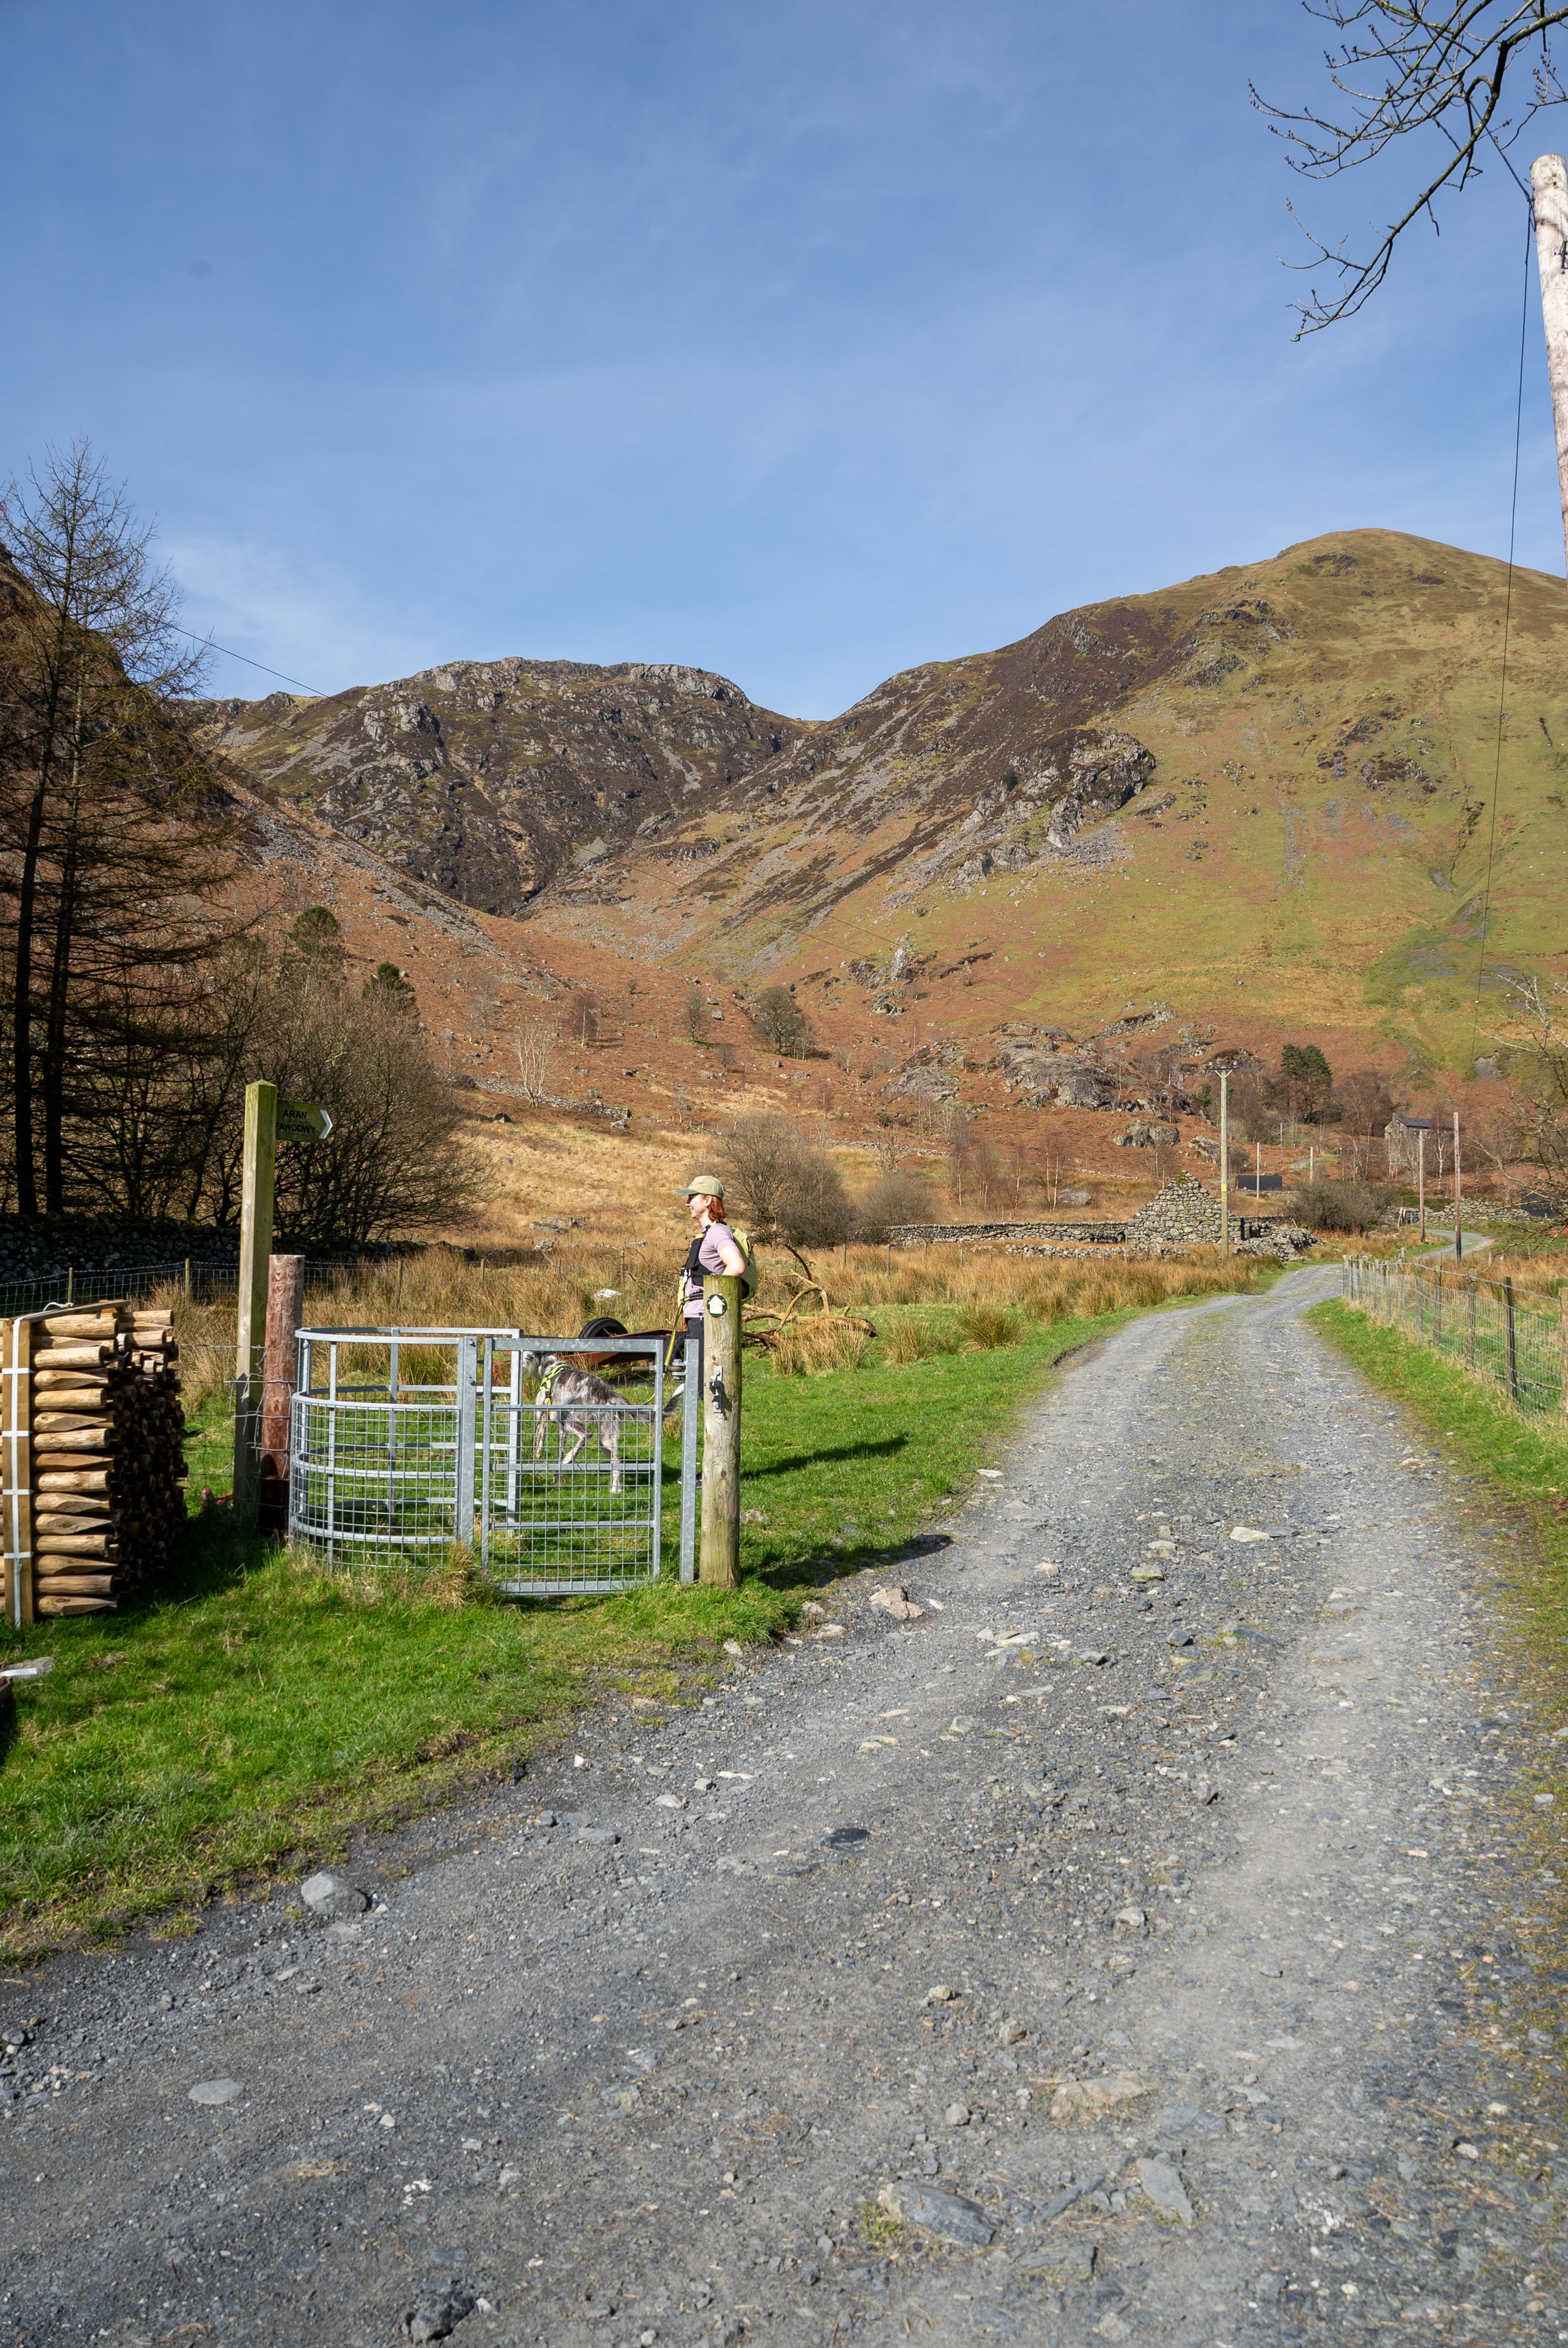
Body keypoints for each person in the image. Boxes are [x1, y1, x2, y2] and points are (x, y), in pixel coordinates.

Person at [675, 1176, 746, 1398]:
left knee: (703, 1387)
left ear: (707, 1200)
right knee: (699, 1384)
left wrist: (713, 1302)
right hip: (698, 1318)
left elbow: (737, 1266)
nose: (687, 1203)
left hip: (705, 1319)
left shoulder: (717, 1232)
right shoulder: (706, 1233)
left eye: (691, 1197)